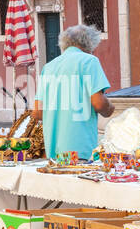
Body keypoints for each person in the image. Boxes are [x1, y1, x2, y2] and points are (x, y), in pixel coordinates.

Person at [32, 25, 115, 161]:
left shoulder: (49, 67)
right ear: (89, 45)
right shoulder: (89, 61)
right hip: (81, 149)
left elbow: (37, 112)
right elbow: (99, 104)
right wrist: (110, 108)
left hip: (54, 153)